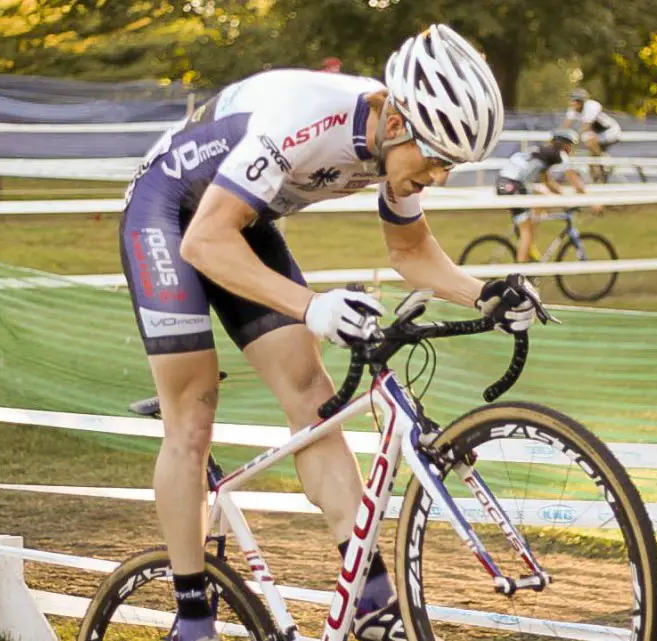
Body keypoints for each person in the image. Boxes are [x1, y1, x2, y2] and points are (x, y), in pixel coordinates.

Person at [120, 25, 546, 641]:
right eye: (438, 159)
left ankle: (371, 599)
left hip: (240, 219)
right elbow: (203, 240)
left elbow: (411, 251)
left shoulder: (391, 150)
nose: (441, 177)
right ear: (398, 122)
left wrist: (484, 294)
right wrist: (312, 306)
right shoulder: (309, 120)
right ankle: (191, 619)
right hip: (167, 212)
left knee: (312, 396)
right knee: (193, 412)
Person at [495, 129, 600, 262]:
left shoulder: (543, 153)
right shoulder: (559, 153)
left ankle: (529, 248)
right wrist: (593, 202)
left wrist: (566, 198)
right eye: (570, 146)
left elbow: (549, 183)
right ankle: (520, 273)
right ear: (565, 145)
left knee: (542, 196)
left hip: (507, 184)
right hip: (513, 186)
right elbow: (576, 182)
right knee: (526, 231)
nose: (571, 149)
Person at [561, 88, 622, 183]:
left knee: (589, 140)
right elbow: (566, 126)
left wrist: (573, 140)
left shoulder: (591, 106)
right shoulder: (573, 109)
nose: (572, 103)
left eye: (574, 101)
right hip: (598, 133)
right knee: (588, 147)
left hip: (611, 131)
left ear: (581, 102)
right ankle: (598, 171)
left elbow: (586, 127)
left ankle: (602, 164)